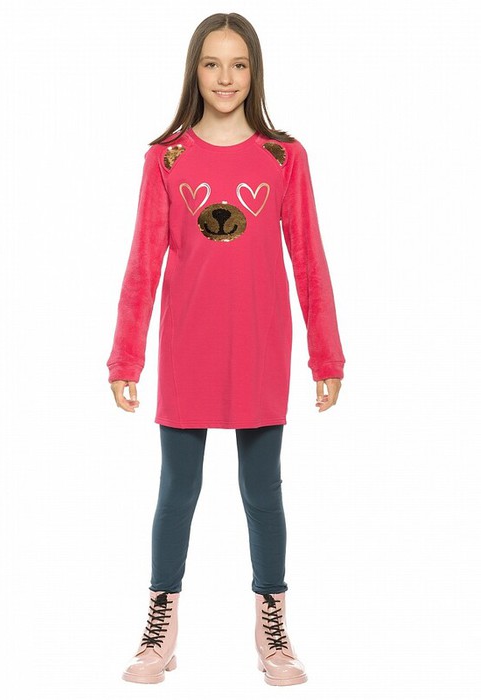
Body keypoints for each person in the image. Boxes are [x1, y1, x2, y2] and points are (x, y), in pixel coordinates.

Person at [106, 12, 345, 687]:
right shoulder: (167, 158)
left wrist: (326, 357)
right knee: (177, 490)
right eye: (212, 63)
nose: (225, 77)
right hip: (189, 346)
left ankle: (273, 627)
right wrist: (126, 358)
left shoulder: (283, 157)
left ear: (254, 72)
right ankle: (160, 625)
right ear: (195, 70)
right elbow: (143, 260)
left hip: (261, 346)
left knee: (262, 490)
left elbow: (308, 258)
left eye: (238, 64)